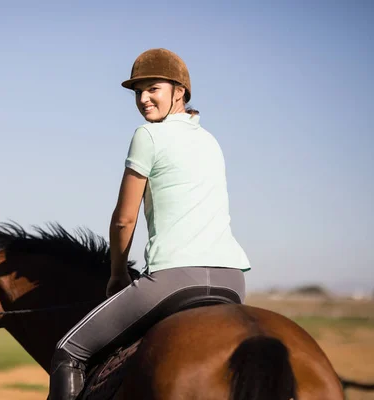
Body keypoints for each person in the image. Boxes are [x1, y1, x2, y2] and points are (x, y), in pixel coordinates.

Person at [47, 48, 252, 400]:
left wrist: (116, 274)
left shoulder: (148, 135)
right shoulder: (210, 141)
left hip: (174, 279)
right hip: (232, 282)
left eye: (152, 88)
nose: (143, 99)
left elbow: (124, 219)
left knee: (69, 351)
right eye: (137, 91)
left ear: (179, 91)